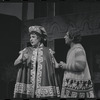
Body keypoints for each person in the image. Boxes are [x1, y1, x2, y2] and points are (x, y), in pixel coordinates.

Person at [13, 25, 60, 98]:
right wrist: (22, 58)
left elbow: (56, 66)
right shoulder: (26, 50)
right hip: (29, 87)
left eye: (33, 37)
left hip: (43, 87)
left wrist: (63, 65)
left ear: (39, 38)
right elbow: (15, 63)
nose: (31, 39)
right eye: (30, 37)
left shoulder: (48, 51)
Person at [59, 28, 95, 98]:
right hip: (73, 87)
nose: (64, 37)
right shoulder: (72, 50)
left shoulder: (78, 49)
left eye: (66, 35)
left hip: (77, 88)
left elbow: (81, 66)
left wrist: (65, 66)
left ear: (72, 38)